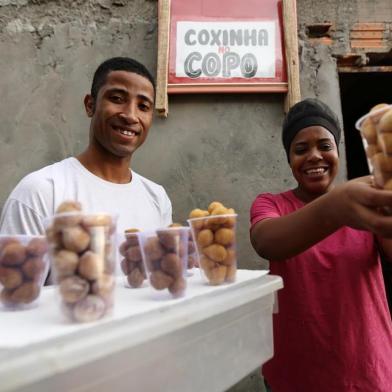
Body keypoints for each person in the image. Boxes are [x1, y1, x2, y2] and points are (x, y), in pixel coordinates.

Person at [250, 99, 392, 392]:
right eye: (301, 150)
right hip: (298, 372)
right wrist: (338, 206)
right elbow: (267, 242)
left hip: (365, 368)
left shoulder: (367, 199)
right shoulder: (271, 204)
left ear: (337, 151)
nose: (314, 156)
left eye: (325, 146)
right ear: (289, 159)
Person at [0, 57, 172, 235]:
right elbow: (15, 261)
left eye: (143, 106)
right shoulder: (41, 191)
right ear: (90, 105)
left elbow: (168, 262)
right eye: (117, 98)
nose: (130, 115)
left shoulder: (157, 198)